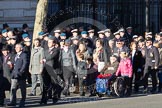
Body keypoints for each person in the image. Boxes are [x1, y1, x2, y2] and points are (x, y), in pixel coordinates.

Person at [41, 38, 63, 104]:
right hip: (46, 69)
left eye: (50, 42)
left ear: (54, 43)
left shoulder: (56, 50)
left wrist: (45, 60)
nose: (49, 44)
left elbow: (52, 57)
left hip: (53, 70)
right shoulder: (46, 50)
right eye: (48, 42)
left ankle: (55, 98)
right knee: (45, 85)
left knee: (54, 84)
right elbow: (43, 57)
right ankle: (44, 99)